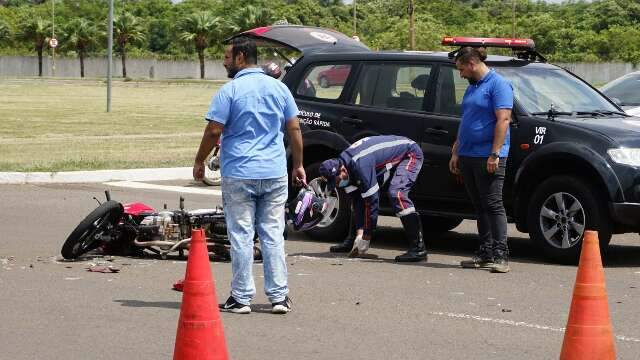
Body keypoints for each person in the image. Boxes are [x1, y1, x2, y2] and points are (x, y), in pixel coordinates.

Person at [193, 36, 306, 314]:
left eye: (227, 57)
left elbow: (214, 130)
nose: (224, 62)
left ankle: (241, 298)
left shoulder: (230, 91)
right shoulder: (280, 89)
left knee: (242, 235)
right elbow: (294, 130)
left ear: (241, 58)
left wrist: (199, 161)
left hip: (240, 174)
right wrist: (298, 165)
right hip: (274, 172)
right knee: (273, 234)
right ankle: (279, 297)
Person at [448, 46, 513, 273]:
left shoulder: (498, 85)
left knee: (493, 204)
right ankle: (485, 253)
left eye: (462, 69)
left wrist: (495, 153)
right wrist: (456, 151)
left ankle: (500, 254)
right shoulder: (472, 87)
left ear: (472, 64)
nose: (461, 74)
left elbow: (503, 120)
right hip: (468, 154)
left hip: (488, 156)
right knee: (479, 206)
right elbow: (467, 120)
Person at [319, 135, 427, 262]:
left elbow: (372, 201)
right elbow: (357, 200)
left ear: (342, 170)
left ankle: (418, 248)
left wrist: (367, 236)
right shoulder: (344, 165)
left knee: (397, 194)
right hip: (383, 159)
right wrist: (360, 234)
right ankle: (352, 240)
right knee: (357, 197)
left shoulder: (360, 165)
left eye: (336, 181)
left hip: (410, 152)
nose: (337, 184)